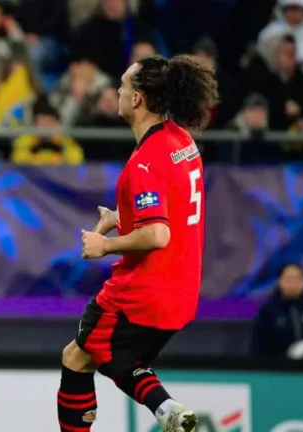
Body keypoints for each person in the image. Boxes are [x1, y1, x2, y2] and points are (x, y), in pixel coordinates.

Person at [60, 55, 218, 432]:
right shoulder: (182, 141)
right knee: (109, 358)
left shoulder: (145, 161)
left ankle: (164, 406)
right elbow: (173, 207)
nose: (117, 90)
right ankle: (167, 410)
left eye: (123, 85)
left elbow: (157, 234)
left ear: (137, 99)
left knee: (80, 356)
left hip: (142, 292)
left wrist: (104, 246)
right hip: (183, 292)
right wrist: (121, 218)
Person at [251, 263, 303, 359]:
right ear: (280, 281)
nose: (293, 283)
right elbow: (258, 346)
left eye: (297, 279)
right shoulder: (268, 310)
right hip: (277, 365)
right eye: (289, 278)